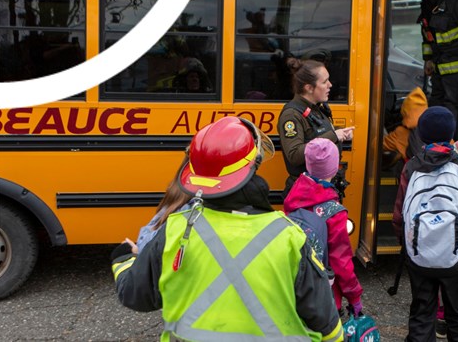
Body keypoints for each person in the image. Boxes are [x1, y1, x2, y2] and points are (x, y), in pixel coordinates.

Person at [111, 116, 343, 342]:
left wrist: (122, 259)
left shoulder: (175, 229)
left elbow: (135, 294)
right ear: (252, 168)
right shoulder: (290, 237)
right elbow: (327, 324)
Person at [394, 106, 458, 342]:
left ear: (421, 134)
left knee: (421, 315)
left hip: (419, 256)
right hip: (456, 257)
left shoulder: (411, 166)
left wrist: (408, 246)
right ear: (451, 134)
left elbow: (399, 215)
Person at [284, 137, 363, 315]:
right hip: (324, 296)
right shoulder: (334, 211)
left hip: (294, 286)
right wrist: (354, 296)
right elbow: (341, 261)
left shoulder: (293, 197)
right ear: (334, 169)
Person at [278, 57, 353, 188]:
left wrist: (340, 131)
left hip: (321, 189)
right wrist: (333, 136)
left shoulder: (316, 108)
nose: (330, 85)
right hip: (306, 193)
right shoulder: (292, 115)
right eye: (324, 82)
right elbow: (294, 155)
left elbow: (315, 132)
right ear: (309, 88)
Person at [418, 0, 458, 124]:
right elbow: (428, 35)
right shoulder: (430, 0)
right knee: (435, 108)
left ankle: (449, 144)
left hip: (456, 74)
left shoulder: (456, 0)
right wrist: (428, 60)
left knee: (450, 112)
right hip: (438, 70)